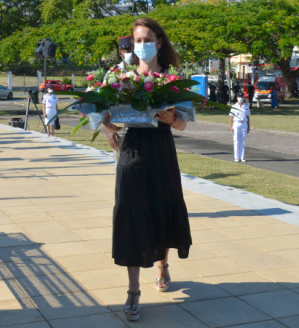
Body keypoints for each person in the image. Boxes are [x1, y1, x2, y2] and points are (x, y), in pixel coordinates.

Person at [102, 17, 192, 322]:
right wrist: (106, 125)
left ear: (159, 42)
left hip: (161, 151)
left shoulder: (173, 79)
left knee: (161, 208)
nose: (141, 45)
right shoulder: (118, 77)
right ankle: (133, 290)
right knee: (130, 210)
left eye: (147, 39)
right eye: (137, 40)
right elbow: (103, 112)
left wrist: (171, 119)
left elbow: (183, 123)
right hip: (131, 151)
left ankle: (163, 264)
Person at [104, 35, 133, 164]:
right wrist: (109, 131)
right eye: (127, 51)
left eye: (133, 50)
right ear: (121, 53)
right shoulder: (113, 73)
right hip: (120, 129)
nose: (131, 54)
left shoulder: (145, 71)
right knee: (122, 170)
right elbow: (104, 103)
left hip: (143, 127)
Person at [230, 95, 251, 162]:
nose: (240, 98)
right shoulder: (234, 106)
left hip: (244, 123)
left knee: (243, 141)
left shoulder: (246, 106)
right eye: (239, 97)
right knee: (236, 141)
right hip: (236, 123)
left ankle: (242, 157)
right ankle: (236, 157)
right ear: (237, 98)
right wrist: (231, 126)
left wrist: (248, 126)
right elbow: (231, 117)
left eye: (241, 97)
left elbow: (247, 116)